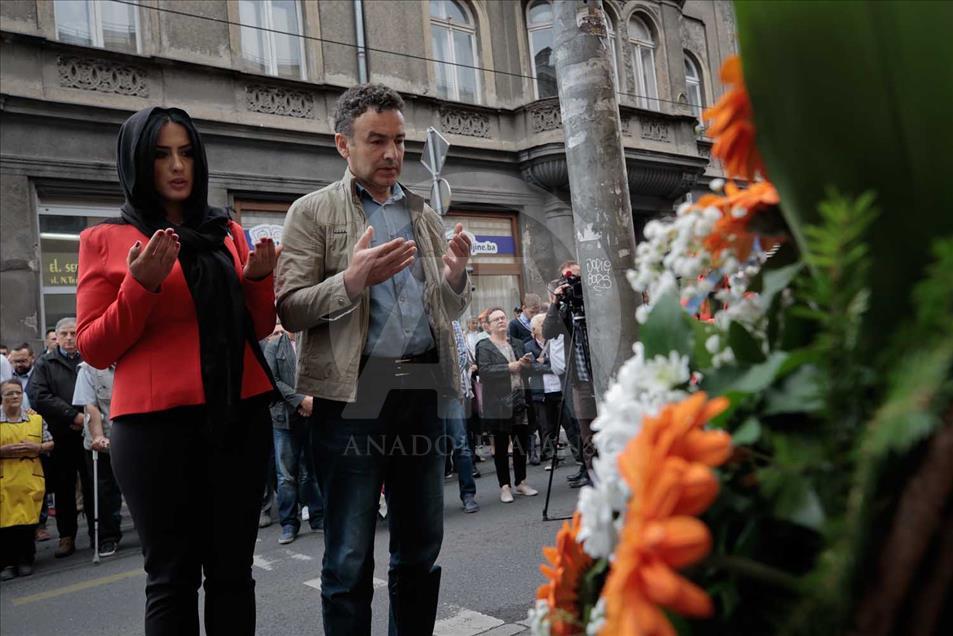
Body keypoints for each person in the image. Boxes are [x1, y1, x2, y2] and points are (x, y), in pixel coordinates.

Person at [276, 82, 471, 635]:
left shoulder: (423, 213)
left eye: (399, 141)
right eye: (376, 140)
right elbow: (290, 309)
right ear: (343, 144)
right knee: (348, 556)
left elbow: (445, 307)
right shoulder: (311, 212)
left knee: (419, 548)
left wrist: (456, 276)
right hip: (351, 394)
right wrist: (351, 281)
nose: (391, 154)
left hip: (421, 387)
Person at [76, 106, 277, 635]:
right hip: (154, 429)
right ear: (138, 161)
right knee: (171, 579)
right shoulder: (105, 239)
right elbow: (95, 347)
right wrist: (139, 287)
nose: (177, 165)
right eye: (162, 154)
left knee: (234, 574)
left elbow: (257, 328)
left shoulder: (228, 232)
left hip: (239, 417)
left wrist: (259, 281)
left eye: (186, 152)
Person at [28, 316, 91, 558]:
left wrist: (85, 418)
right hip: (62, 434)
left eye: (74, 333)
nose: (69, 338)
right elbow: (39, 395)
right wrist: (71, 416)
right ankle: (67, 536)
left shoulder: (89, 358)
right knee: (64, 488)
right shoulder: (45, 363)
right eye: (64, 334)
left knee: (92, 483)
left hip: (89, 431)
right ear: (57, 337)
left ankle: (101, 533)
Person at [264, 324, 325, 544]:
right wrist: (301, 400)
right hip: (284, 419)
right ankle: (289, 523)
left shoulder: (310, 343)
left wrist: (312, 400)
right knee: (286, 475)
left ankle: (318, 517)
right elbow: (273, 381)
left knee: (311, 471)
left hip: (310, 416)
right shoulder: (274, 346)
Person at [475, 307, 541, 503]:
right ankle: (504, 486)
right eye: (496, 319)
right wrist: (508, 367)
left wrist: (528, 365)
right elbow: (484, 372)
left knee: (521, 443)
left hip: (521, 399)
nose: (501, 321)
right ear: (488, 325)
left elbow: (529, 368)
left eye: (503, 318)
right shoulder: (484, 346)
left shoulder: (518, 343)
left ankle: (521, 482)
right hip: (498, 403)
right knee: (502, 446)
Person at [543, 261, 596, 488]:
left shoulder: (596, 300)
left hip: (602, 377)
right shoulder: (565, 308)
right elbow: (547, 331)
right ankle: (592, 475)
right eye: (569, 279)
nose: (573, 283)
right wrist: (556, 303)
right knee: (587, 433)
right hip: (580, 378)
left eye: (577, 277)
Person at [0, 378, 54, 581]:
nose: (14, 397)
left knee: (26, 521)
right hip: (4, 478)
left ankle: (26, 559)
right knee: (4, 523)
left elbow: (49, 443)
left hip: (29, 477)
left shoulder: (36, 419)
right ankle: (6, 562)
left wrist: (37, 448)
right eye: (8, 394)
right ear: (1, 397)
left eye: (17, 393)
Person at [71, 362, 123, 557]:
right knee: (103, 490)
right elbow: (90, 406)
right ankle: (107, 538)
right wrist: (98, 436)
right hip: (103, 438)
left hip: (132, 434)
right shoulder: (88, 368)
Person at [525, 314, 583, 468]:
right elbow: (531, 368)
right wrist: (550, 366)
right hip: (542, 393)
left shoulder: (556, 341)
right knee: (547, 428)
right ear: (534, 329)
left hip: (561, 389)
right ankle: (551, 458)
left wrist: (545, 364)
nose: (545, 327)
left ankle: (579, 455)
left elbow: (562, 365)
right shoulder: (528, 346)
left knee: (570, 423)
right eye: (542, 324)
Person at [8, 343, 50, 541]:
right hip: (11, 432)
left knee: (37, 485)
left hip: (37, 429)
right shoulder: (8, 380)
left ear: (32, 358)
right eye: (15, 361)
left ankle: (39, 524)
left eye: (23, 360)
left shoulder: (40, 373)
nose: (19, 364)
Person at [444, 320, 479, 513]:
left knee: (460, 443)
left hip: (448, 389)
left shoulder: (451, 320)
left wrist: (454, 385)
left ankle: (468, 494)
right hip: (421, 389)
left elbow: (461, 355)